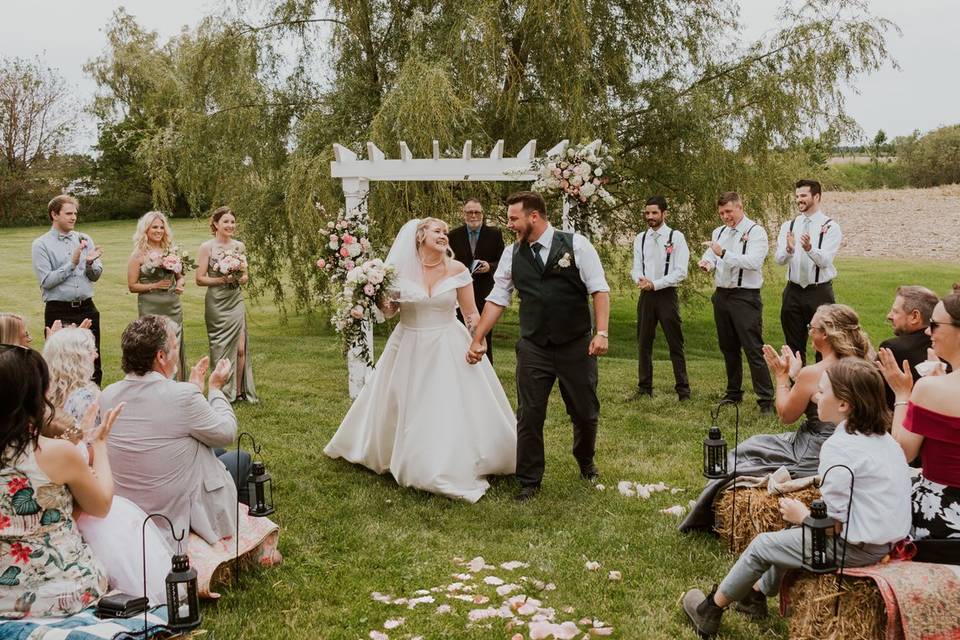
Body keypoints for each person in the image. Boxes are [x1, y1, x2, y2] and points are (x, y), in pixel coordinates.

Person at [681, 358, 911, 638]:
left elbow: (834, 526)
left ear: (844, 405)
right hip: (885, 543)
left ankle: (710, 610)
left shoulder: (839, 447)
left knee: (762, 544)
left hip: (854, 550)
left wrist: (802, 515)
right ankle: (754, 595)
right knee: (791, 535)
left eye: (822, 392)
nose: (816, 397)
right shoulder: (886, 441)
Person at [324, 218, 517, 503]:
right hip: (409, 343)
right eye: (437, 231)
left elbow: (471, 314)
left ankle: (451, 459)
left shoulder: (458, 269)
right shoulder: (397, 272)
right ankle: (405, 455)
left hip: (448, 342)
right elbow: (390, 312)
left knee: (448, 403)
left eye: (444, 231)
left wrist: (479, 339)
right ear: (419, 236)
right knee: (405, 401)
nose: (444, 235)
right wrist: (374, 295)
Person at [467, 191, 611, 501]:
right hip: (534, 346)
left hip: (576, 344)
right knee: (529, 414)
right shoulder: (511, 254)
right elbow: (497, 298)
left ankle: (586, 461)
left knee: (585, 412)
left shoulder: (576, 244)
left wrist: (601, 332)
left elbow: (599, 289)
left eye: (514, 219)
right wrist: (478, 337)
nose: (510, 225)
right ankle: (529, 480)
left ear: (534, 217)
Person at [681, 303, 872, 532]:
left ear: (825, 334)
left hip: (813, 449)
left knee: (748, 453)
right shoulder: (865, 365)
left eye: (811, 327)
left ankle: (706, 513)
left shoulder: (814, 373)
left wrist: (782, 377)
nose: (809, 330)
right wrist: (797, 377)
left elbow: (785, 414)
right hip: (856, 442)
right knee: (757, 444)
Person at [99, 316, 256, 548]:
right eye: (174, 347)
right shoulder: (181, 396)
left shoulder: (108, 395)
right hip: (170, 514)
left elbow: (163, 425)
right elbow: (226, 432)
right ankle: (241, 546)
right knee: (241, 459)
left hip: (131, 507)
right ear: (160, 357)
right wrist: (215, 390)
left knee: (216, 451)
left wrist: (192, 389)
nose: (177, 352)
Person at [41, 327, 173, 603]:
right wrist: (93, 443)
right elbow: (87, 453)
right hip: (87, 490)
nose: (97, 354)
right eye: (91, 350)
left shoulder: (46, 398)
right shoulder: (89, 396)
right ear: (77, 357)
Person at [0, 343, 124, 618]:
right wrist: (100, 445)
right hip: (62, 591)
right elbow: (101, 505)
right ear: (33, 396)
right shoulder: (55, 453)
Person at [879, 284, 960, 541]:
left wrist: (903, 394)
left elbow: (903, 452)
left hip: (943, 518)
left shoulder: (928, 389)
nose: (928, 331)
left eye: (935, 325)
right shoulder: (938, 385)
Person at [698, 192, 773, 412]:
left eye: (728, 211)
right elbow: (712, 254)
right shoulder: (719, 232)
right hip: (722, 295)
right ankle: (733, 393)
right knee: (728, 347)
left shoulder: (756, 232)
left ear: (740, 207)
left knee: (753, 347)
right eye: (721, 213)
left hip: (745, 297)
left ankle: (766, 399)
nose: (725, 216)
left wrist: (722, 254)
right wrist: (707, 262)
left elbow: (753, 262)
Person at [31, 195, 104, 385]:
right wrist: (72, 263)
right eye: (68, 213)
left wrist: (89, 264)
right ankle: (61, 405)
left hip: (87, 308)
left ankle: (95, 403)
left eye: (75, 213)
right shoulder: (41, 244)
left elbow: (95, 275)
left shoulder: (84, 238)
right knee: (60, 362)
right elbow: (46, 281)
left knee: (93, 359)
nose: (73, 217)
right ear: (54, 214)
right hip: (59, 310)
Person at [774, 180, 842, 364]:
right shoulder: (788, 226)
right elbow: (779, 260)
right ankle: (797, 387)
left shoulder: (830, 227)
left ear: (817, 196)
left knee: (825, 344)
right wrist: (789, 249)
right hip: (793, 291)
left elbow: (825, 261)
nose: (799, 200)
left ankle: (822, 389)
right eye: (797, 196)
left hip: (819, 292)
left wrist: (809, 248)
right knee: (793, 346)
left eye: (803, 195)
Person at [630, 195, 691, 400]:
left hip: (666, 295)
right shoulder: (641, 238)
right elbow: (636, 266)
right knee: (644, 342)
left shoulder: (676, 237)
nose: (650, 217)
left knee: (675, 342)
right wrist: (640, 280)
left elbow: (681, 271)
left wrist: (655, 284)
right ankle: (644, 388)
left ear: (664, 213)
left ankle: (683, 390)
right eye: (647, 213)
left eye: (654, 213)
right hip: (646, 295)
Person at [196, 206, 257, 403]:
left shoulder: (239, 246)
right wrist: (222, 280)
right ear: (215, 224)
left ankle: (238, 392)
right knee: (220, 347)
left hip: (235, 299)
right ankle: (220, 392)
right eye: (226, 222)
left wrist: (238, 278)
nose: (230, 225)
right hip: (216, 302)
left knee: (240, 348)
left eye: (232, 222)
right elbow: (200, 279)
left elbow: (246, 276)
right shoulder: (207, 247)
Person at [127, 211, 187, 380]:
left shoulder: (171, 251)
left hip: (172, 305)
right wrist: (155, 285)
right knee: (153, 344)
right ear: (146, 229)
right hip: (150, 306)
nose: (159, 230)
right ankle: (154, 383)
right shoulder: (138, 254)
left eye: (161, 227)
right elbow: (132, 286)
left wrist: (180, 285)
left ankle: (176, 384)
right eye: (154, 227)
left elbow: (180, 277)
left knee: (174, 344)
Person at [448, 198, 505, 362]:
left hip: (485, 295)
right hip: (459, 296)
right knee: (460, 337)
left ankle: (486, 375)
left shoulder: (494, 234)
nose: (473, 215)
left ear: (482, 214)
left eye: (477, 212)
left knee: (485, 337)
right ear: (464, 214)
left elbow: (502, 262)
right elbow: (448, 261)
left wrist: (490, 266)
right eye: (469, 212)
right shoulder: (453, 235)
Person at [878, 285, 940, 408]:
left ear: (915, 317)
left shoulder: (893, 348)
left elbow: (869, 391)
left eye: (895, 311)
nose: (889, 316)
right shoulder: (946, 346)